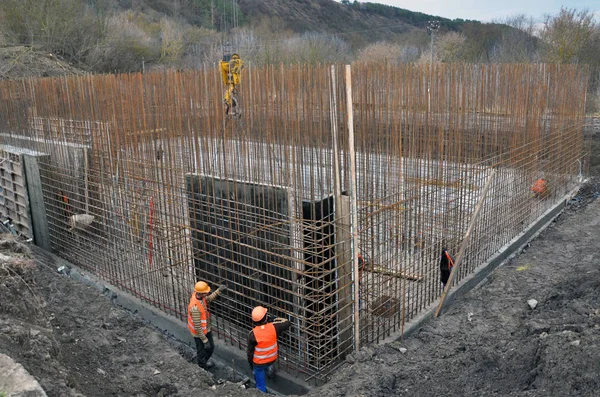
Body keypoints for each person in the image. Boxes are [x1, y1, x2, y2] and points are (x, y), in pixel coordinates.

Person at [247, 306, 290, 392]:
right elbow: (287, 322)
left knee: (260, 384)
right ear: (266, 317)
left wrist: (252, 366)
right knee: (266, 364)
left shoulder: (252, 334)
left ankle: (261, 391)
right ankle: (269, 370)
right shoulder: (274, 327)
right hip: (272, 359)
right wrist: (274, 319)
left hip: (259, 364)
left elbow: (250, 353)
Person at [187, 280, 226, 370]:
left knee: (211, 347)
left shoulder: (200, 297)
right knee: (201, 351)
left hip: (205, 329)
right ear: (201, 293)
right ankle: (202, 368)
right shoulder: (195, 308)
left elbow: (208, 299)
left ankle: (204, 362)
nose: (207, 293)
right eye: (206, 292)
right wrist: (204, 340)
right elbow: (198, 327)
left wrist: (218, 291)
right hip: (199, 334)